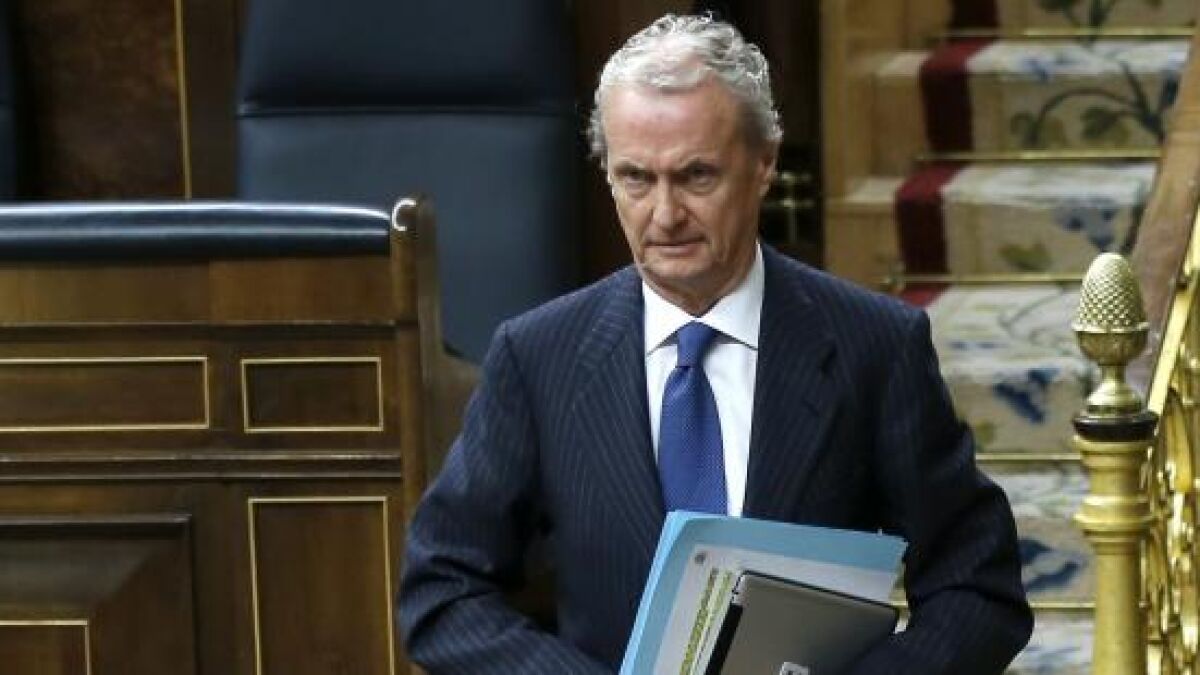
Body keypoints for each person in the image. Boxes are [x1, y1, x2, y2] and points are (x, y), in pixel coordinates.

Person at [399, 14, 1032, 674]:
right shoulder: (538, 358)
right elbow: (441, 590)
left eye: (696, 176)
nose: (665, 215)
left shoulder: (874, 346)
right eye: (636, 178)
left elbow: (977, 586)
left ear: (764, 163)